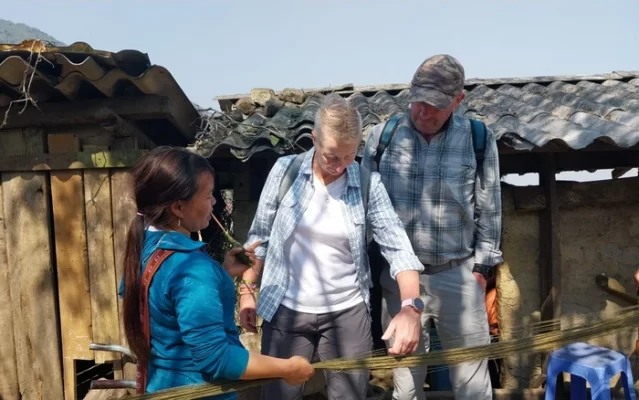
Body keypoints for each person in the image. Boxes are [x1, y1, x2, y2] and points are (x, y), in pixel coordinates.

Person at [239, 94, 426, 400]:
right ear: (314, 139)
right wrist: (248, 292)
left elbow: (399, 249)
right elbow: (259, 238)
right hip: (287, 310)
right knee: (279, 395)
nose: (340, 166)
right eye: (331, 156)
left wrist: (410, 307)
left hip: (346, 313)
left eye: (349, 156)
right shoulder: (285, 172)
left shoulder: (369, 184)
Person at [119, 146, 315, 399]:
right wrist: (287, 368)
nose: (214, 202)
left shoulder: (143, 249)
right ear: (178, 207)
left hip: (161, 386)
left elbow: (168, 306)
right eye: (209, 195)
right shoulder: (193, 270)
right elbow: (217, 358)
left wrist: (221, 273)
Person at [361, 54, 503, 400]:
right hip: (399, 282)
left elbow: (491, 210)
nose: (423, 112)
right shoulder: (383, 139)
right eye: (418, 102)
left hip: (459, 276)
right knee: (406, 386)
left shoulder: (478, 139)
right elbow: (363, 212)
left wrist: (481, 272)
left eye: (435, 106)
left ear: (458, 101)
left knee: (473, 385)